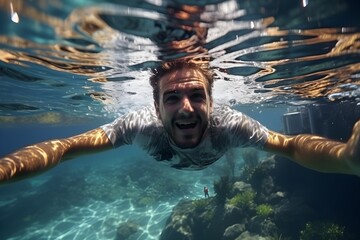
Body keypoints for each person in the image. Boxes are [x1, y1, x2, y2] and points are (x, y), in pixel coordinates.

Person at [0, 60, 359, 183]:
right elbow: (62, 148)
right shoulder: (138, 126)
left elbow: (291, 146)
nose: (186, 108)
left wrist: (345, 158)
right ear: (156, 108)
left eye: (196, 95)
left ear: (212, 101)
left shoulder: (230, 125)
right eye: (171, 98)